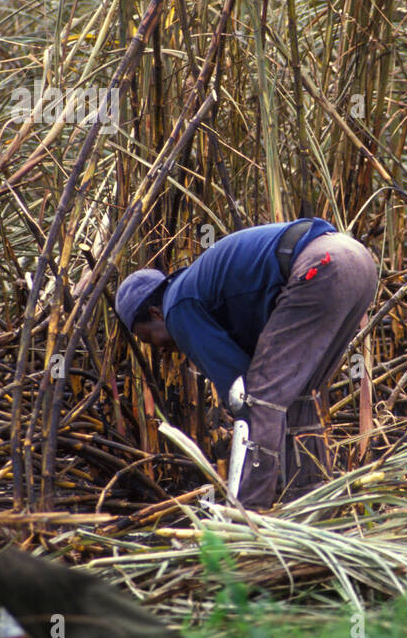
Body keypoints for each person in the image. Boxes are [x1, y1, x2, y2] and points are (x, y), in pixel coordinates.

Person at [115, 218, 378, 509]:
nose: (162, 350)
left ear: (155, 313)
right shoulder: (198, 287)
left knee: (260, 400)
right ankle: (308, 500)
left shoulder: (176, 307)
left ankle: (251, 514)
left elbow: (243, 392)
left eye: (150, 339)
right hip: (357, 261)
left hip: (321, 266)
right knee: (302, 392)